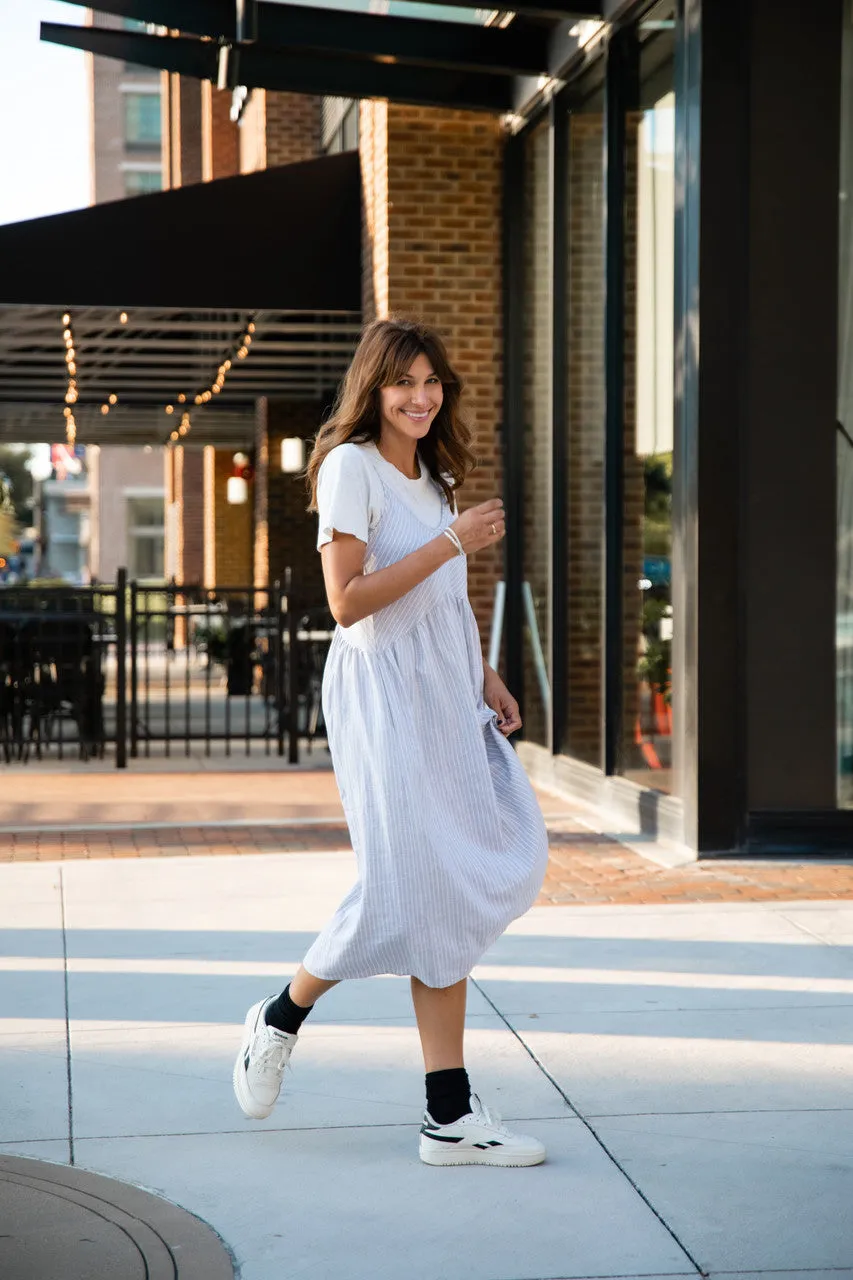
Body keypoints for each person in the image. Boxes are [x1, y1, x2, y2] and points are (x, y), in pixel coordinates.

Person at [233, 317, 549, 1167]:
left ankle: (446, 1117)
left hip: (446, 689)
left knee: (445, 884)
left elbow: (446, 594)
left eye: (431, 381)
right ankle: (281, 1015)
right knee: (406, 880)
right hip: (382, 693)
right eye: (402, 382)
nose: (419, 396)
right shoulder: (349, 468)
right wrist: (453, 540)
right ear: (371, 390)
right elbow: (345, 601)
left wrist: (483, 672)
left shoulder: (435, 478)